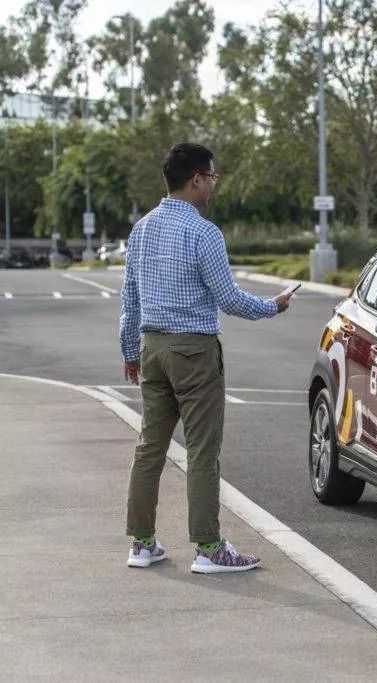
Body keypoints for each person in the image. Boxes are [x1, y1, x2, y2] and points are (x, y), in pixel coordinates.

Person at [119, 142, 294, 574]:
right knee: (201, 451)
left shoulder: (141, 229)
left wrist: (129, 351)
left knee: (150, 449)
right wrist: (274, 305)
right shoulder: (203, 232)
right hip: (194, 352)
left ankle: (142, 544)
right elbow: (229, 299)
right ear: (195, 179)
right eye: (211, 178)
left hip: (152, 349)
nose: (213, 185)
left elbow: (130, 299)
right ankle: (208, 548)